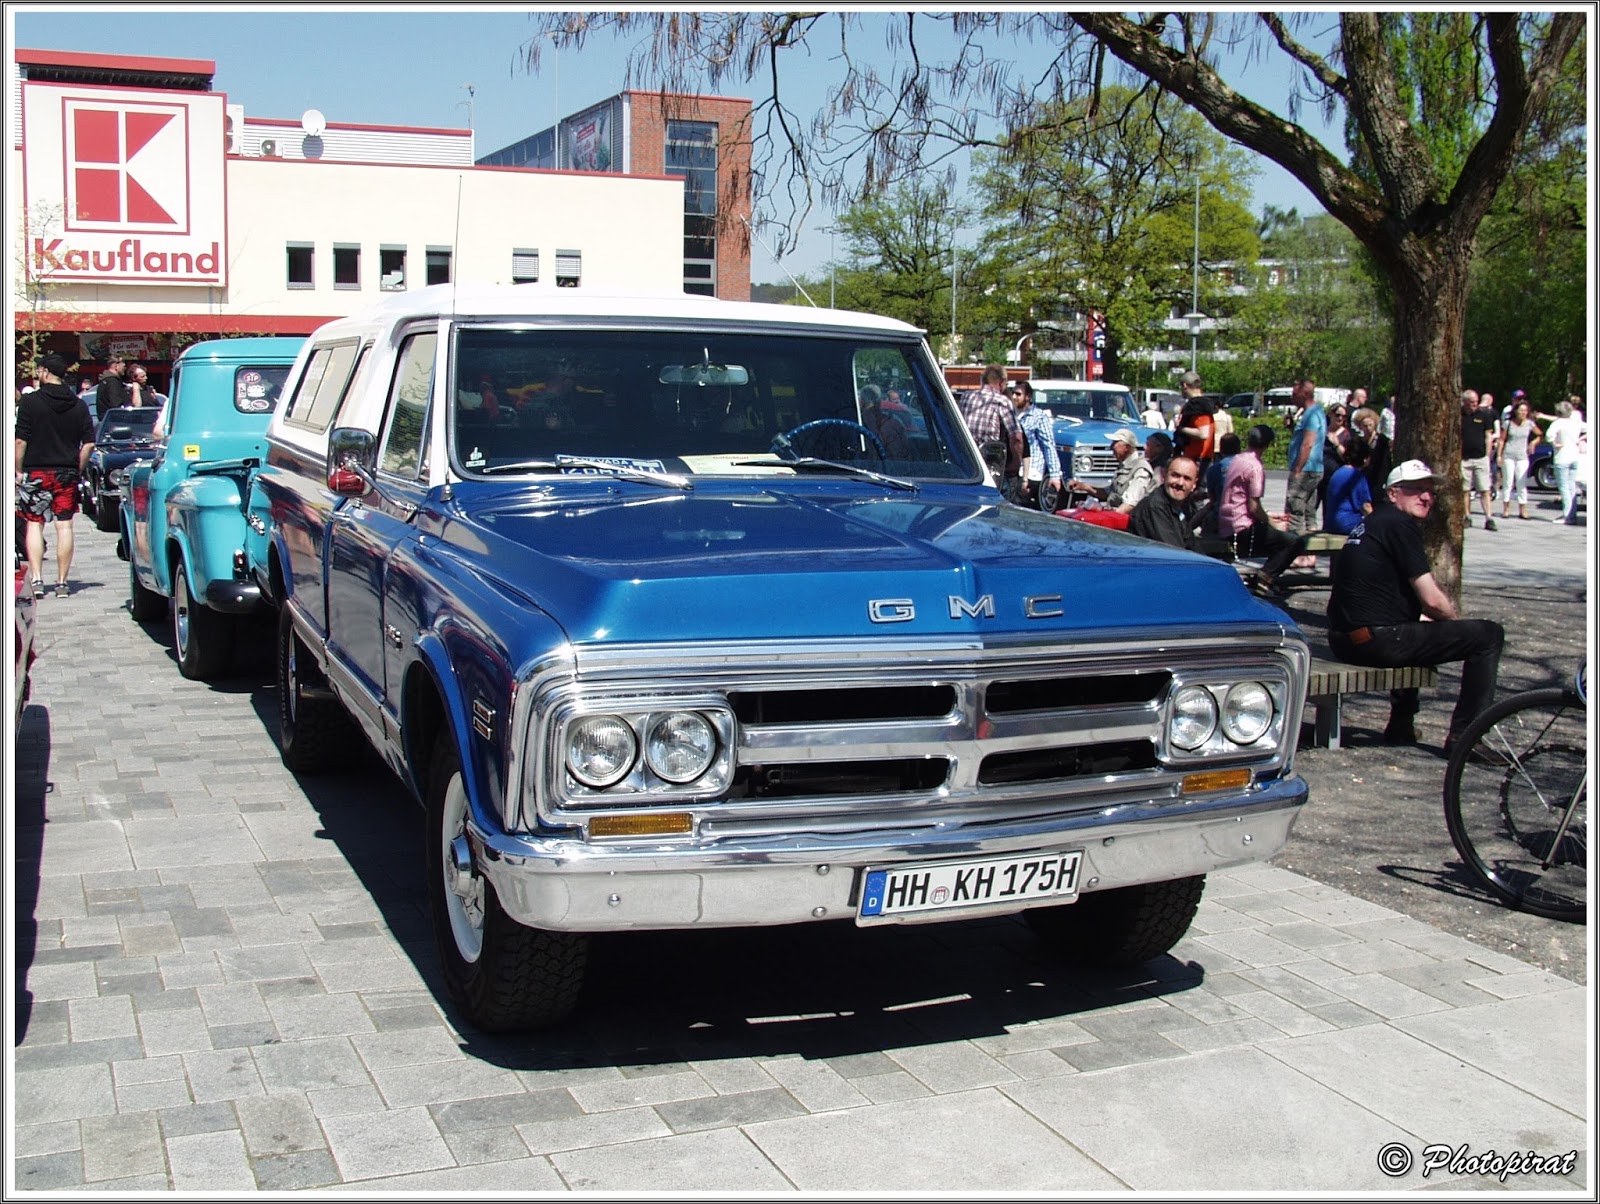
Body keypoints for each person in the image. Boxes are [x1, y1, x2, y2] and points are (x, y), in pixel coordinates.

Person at [1326, 459, 1504, 751]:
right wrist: (1454, 620)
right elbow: (1432, 599)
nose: (1426, 496)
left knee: (1418, 629)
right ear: (1393, 493)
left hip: (1344, 640)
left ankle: (1401, 723)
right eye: (1415, 489)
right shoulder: (1399, 524)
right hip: (1374, 641)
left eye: (1430, 491)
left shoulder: (1372, 523)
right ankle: (1466, 738)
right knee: (1488, 636)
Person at [15, 352, 96, 599]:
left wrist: (17, 469)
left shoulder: (30, 402)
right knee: (65, 525)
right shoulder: (78, 404)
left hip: (36, 470)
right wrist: (77, 468)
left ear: (45, 372)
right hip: (66, 471)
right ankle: (62, 582)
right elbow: (89, 444)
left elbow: (20, 441)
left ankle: (37, 579)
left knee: (34, 523)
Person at [1215, 424, 1310, 597]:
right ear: (1268, 445)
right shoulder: (1255, 467)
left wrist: (1269, 517)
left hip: (1228, 522)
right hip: (1242, 528)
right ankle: (1265, 578)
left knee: (1278, 539)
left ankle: (1263, 578)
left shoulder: (1238, 459)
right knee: (1294, 541)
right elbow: (1254, 507)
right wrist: (1273, 524)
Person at [957, 365, 1024, 495]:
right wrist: (1015, 464)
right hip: (988, 462)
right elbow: (1016, 437)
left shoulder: (966, 397)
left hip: (964, 462)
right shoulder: (1001, 401)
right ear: (1002, 382)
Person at [1066, 427, 1155, 515]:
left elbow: (1130, 504)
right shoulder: (1123, 466)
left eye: (1115, 443)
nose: (1111, 446)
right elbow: (1107, 493)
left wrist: (1109, 517)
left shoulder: (1140, 469)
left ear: (1126, 447)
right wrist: (1083, 486)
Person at [1006, 380, 1061, 509]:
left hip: (1031, 473)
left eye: (1018, 394)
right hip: (1012, 471)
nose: (1014, 397)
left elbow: (1048, 446)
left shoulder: (1038, 417)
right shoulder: (1009, 414)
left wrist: (1054, 475)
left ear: (1028, 397)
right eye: (1013, 393)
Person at [1128, 454, 1201, 551]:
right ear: (1164, 476)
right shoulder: (1155, 507)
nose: (1180, 483)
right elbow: (1174, 553)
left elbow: (1192, 546)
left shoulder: (1180, 506)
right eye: (1175, 475)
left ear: (1194, 484)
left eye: (1187, 478)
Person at [1285, 379, 1325, 535]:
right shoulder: (1312, 412)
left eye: (1295, 394)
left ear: (1305, 394)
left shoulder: (1312, 414)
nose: (1292, 397)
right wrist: (1292, 427)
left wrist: (1298, 469)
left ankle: (1293, 539)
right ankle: (1311, 538)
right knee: (1309, 509)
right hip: (1312, 468)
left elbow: (1308, 443)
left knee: (1294, 506)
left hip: (1306, 468)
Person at [1459, 388, 1497, 531]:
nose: (1475, 404)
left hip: (1481, 457)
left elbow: (1488, 436)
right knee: (1465, 489)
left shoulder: (1484, 415)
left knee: (1484, 489)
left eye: (1476, 401)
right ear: (1465, 402)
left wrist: (1487, 455)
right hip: (1464, 459)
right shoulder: (1459, 416)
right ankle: (1467, 516)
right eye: (1471, 402)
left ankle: (1489, 518)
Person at [1497, 398, 1541, 521]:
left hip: (1522, 456)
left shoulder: (1529, 424)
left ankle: (1523, 509)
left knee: (1521, 483)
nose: (1523, 413)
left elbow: (1539, 434)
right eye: (1521, 410)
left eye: (1525, 411)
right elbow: (1502, 440)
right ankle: (1506, 509)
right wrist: (1499, 455)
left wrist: (1533, 443)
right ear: (1516, 411)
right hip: (1509, 455)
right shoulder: (1508, 423)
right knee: (1508, 482)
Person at [1545, 399, 1585, 524]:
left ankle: (1568, 516)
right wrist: (1580, 439)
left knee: (1564, 488)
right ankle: (1572, 514)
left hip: (1562, 458)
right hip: (1574, 456)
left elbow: (1548, 435)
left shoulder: (1558, 423)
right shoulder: (1575, 423)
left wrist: (1555, 443)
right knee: (1571, 487)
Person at [1324, 436, 1375, 535]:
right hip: (1348, 523)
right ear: (1365, 459)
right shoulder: (1357, 477)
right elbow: (1366, 507)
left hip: (1331, 524)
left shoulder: (1338, 472)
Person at [1172, 371, 1215, 475]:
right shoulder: (1201, 404)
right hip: (1198, 457)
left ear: (1185, 386)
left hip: (1198, 458)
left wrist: (1180, 428)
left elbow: (1203, 433)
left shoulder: (1199, 406)